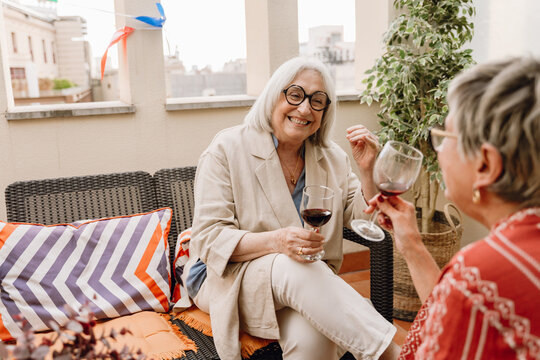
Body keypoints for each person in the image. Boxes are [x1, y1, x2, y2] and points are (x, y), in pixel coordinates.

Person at [181, 56, 399, 360]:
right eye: (295, 94)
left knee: (314, 340)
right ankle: (396, 354)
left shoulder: (332, 158)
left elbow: (367, 224)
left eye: (318, 100)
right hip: (227, 278)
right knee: (292, 262)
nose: (305, 108)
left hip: (299, 284)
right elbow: (208, 239)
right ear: (274, 96)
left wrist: (367, 172)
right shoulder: (226, 148)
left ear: (325, 112)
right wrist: (277, 241)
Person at [366, 57, 540, 359]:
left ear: (485, 164)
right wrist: (412, 246)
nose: (439, 151)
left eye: (444, 138)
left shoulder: (479, 275)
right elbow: (455, 312)